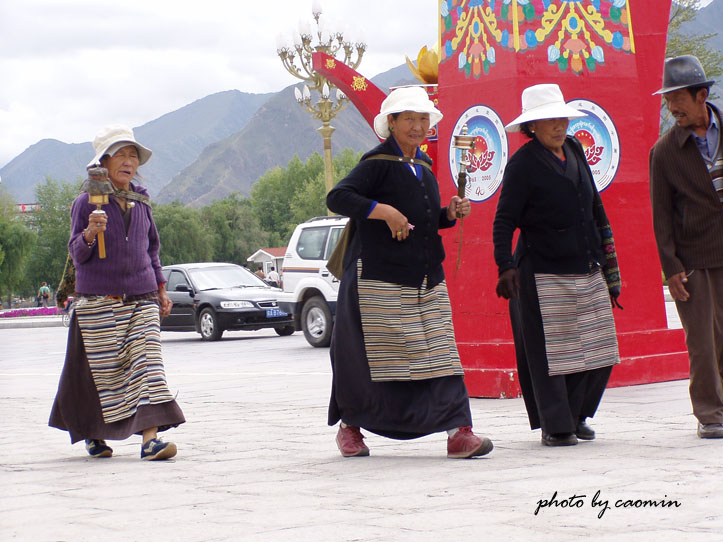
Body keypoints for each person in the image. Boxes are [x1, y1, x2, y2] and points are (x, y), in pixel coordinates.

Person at [326, 86, 493, 459]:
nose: (418, 127)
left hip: (425, 278)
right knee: (370, 358)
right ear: (392, 123)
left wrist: (448, 214)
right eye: (409, 120)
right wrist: (382, 211)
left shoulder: (424, 169)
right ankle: (350, 428)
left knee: (442, 354)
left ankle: (458, 432)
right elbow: (337, 197)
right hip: (378, 280)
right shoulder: (375, 164)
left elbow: (424, 222)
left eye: (422, 119)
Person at [493, 83, 621, 447]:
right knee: (550, 353)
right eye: (548, 119)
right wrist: (505, 265)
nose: (558, 125)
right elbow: (503, 221)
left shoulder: (575, 149)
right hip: (541, 268)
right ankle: (557, 425)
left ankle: (578, 414)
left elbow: (593, 204)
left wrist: (608, 262)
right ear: (531, 127)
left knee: (600, 348)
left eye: (561, 117)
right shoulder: (522, 165)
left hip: (586, 262)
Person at [49, 125, 185, 460]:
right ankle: (92, 434)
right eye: (121, 155)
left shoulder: (141, 202)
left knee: (148, 363)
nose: (128, 161)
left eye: (133, 155)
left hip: (141, 298)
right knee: (98, 372)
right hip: (97, 300)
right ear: (104, 163)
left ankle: (150, 440)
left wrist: (161, 288)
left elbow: (152, 249)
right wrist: (91, 234)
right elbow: (77, 253)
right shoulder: (86, 203)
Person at [649, 56, 723, 439]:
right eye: (667, 100)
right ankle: (710, 414)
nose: (672, 108)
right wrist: (671, 266)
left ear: (702, 96)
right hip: (694, 258)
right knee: (702, 340)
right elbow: (660, 215)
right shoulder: (664, 153)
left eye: (678, 98)